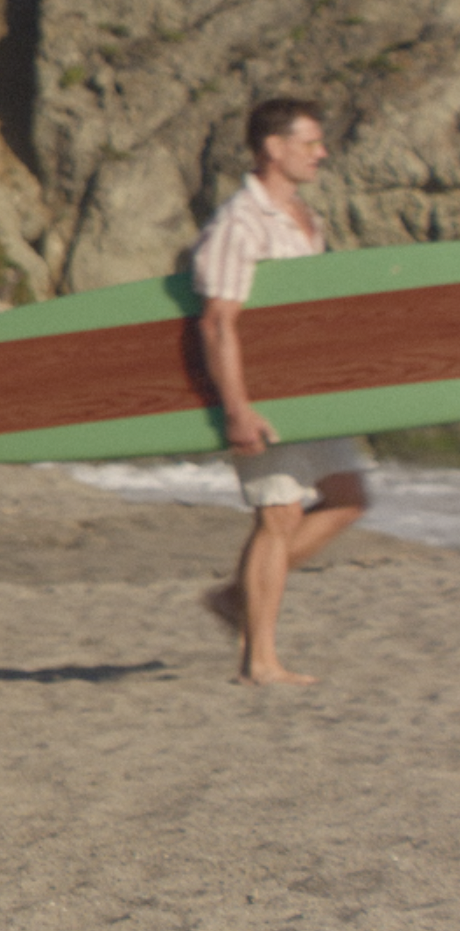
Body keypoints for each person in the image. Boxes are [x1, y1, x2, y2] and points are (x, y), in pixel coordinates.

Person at [194, 98, 370, 686]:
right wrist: (238, 409)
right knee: (279, 514)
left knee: (347, 497)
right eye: (310, 142)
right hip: (260, 394)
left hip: (307, 391)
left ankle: (235, 596)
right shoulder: (238, 223)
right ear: (274, 147)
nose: (321, 153)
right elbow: (219, 320)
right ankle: (260, 660)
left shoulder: (301, 216)